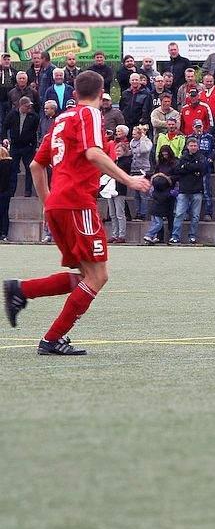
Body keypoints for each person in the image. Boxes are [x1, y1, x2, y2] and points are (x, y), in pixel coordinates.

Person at [3, 70, 151, 355]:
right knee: (97, 277)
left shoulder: (60, 119)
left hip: (59, 204)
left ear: (74, 93)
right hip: (77, 203)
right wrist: (129, 180)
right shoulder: (90, 114)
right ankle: (52, 338)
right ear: (102, 94)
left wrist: (48, 203)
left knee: (86, 275)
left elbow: (36, 166)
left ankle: (22, 290)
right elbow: (93, 153)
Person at [2, 97, 39, 197]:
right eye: (27, 106)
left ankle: (28, 191)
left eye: (30, 106)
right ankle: (12, 191)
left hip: (28, 146)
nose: (29, 108)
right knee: (13, 169)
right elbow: (5, 126)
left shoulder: (33, 117)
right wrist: (4, 138)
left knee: (29, 168)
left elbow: (35, 131)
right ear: (21, 105)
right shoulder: (12, 114)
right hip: (15, 145)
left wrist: (35, 146)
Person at [0, 146, 12, 241]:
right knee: (4, 213)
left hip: (2, 191)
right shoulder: (10, 165)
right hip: (6, 192)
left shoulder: (2, 165)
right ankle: (4, 233)